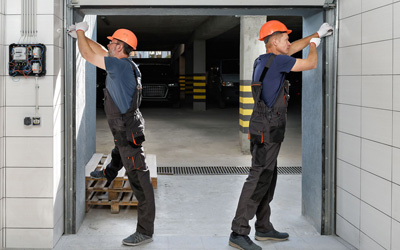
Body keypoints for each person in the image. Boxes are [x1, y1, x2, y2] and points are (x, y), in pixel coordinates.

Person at [229, 20, 333, 250]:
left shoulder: (264, 60)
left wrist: (316, 34)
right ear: (274, 41)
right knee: (258, 178)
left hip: (263, 128)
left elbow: (292, 49)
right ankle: (238, 231)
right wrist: (314, 44)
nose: (289, 41)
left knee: (268, 176)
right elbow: (310, 63)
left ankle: (264, 227)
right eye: (285, 38)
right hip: (268, 129)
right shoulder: (279, 61)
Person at [68, 22, 155, 247]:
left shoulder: (119, 67)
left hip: (127, 131)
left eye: (112, 42)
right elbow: (99, 50)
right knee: (119, 151)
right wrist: (82, 35)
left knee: (140, 181)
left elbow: (88, 54)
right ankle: (109, 172)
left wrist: (80, 33)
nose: (108, 44)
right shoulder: (124, 64)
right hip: (126, 127)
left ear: (119, 47)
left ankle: (144, 231)